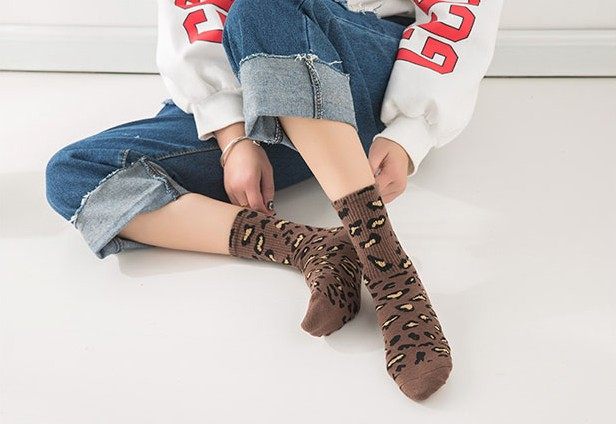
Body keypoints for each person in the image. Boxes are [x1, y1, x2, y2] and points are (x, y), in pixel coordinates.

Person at [45, 0, 503, 401]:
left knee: (264, 6)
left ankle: (391, 275)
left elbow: (460, 11)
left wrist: (411, 130)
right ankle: (314, 248)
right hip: (253, 83)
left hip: (366, 72)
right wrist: (231, 135)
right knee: (74, 176)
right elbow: (196, 10)